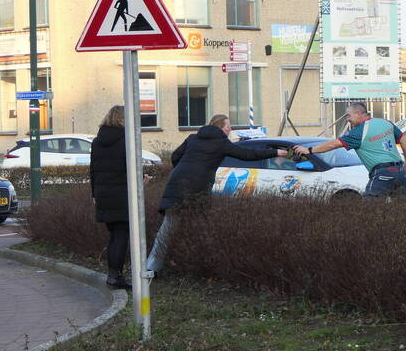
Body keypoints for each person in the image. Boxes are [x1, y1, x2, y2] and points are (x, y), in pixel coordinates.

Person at [146, 114, 287, 276]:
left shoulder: (192, 138)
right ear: (220, 127)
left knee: (167, 230)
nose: (230, 129)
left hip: (176, 185)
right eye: (228, 126)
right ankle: (205, 268)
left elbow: (174, 156)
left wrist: (185, 172)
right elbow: (247, 155)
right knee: (201, 228)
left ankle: (151, 268)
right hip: (197, 190)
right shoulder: (221, 143)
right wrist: (275, 152)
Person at [293, 102, 406, 197]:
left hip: (382, 173)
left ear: (359, 114)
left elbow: (333, 144)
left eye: (348, 115)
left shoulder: (359, 132)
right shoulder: (385, 122)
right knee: (401, 210)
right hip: (400, 171)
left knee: (370, 209)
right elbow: (403, 140)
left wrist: (309, 150)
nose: (347, 119)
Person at [89, 105, 143, 289]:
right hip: (122, 194)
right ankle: (115, 277)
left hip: (103, 194)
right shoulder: (127, 140)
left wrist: (94, 193)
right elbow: (131, 169)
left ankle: (113, 274)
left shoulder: (97, 141)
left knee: (114, 235)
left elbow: (93, 170)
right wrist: (141, 181)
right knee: (121, 235)